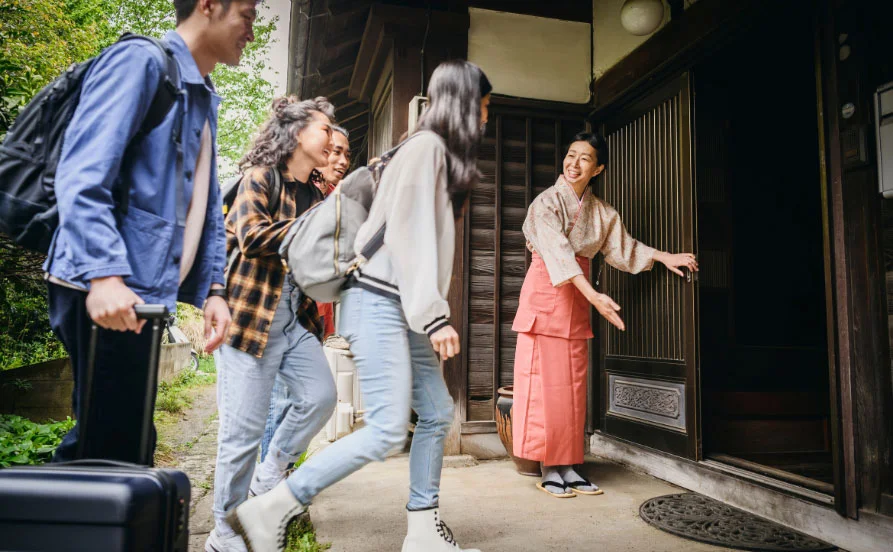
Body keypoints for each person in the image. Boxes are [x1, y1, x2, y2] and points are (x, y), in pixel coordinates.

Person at [227, 60, 492, 552]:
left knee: (435, 413)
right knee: (388, 428)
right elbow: (410, 237)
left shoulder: (428, 154)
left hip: (399, 303)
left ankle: (421, 531)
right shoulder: (427, 148)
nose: (485, 116)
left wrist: (426, 311)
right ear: (462, 102)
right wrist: (435, 315)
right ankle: (273, 506)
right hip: (379, 301)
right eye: (482, 105)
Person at [44, 0, 259, 464]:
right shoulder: (140, 62)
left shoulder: (201, 92)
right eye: (247, 15)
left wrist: (215, 290)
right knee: (107, 452)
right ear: (208, 6)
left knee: (125, 446)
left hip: (138, 293)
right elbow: (81, 173)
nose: (252, 31)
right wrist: (103, 276)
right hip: (103, 289)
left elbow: (203, 202)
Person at [512, 132, 699, 498]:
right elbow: (559, 255)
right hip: (547, 295)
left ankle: (570, 463)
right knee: (546, 387)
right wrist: (595, 295)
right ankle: (550, 466)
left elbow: (623, 247)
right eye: (570, 154)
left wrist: (665, 257)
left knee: (572, 387)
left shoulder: (601, 212)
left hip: (579, 301)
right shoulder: (546, 202)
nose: (573, 163)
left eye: (584, 158)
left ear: (597, 169)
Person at [208, 96, 338, 552]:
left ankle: (268, 480)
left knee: (322, 395)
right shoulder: (259, 178)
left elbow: (318, 259)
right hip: (249, 319)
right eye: (324, 128)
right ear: (297, 133)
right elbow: (252, 236)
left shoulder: (316, 195)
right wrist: (315, 225)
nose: (330, 137)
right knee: (241, 435)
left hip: (292, 322)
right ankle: (224, 533)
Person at [258, 125, 351, 464]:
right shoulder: (289, 191)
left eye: (345, 154)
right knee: (280, 400)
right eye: (333, 151)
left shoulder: (327, 197)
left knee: (308, 398)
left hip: (311, 314)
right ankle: (266, 488)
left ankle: (276, 479)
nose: (340, 160)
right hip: (276, 313)